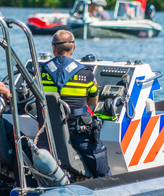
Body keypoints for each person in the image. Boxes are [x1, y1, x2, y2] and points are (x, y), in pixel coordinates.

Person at [40, 30, 111, 178]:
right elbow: (93, 102)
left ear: (54, 48)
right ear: (74, 47)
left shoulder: (40, 71)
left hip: (49, 132)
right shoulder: (86, 73)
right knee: (102, 171)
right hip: (79, 133)